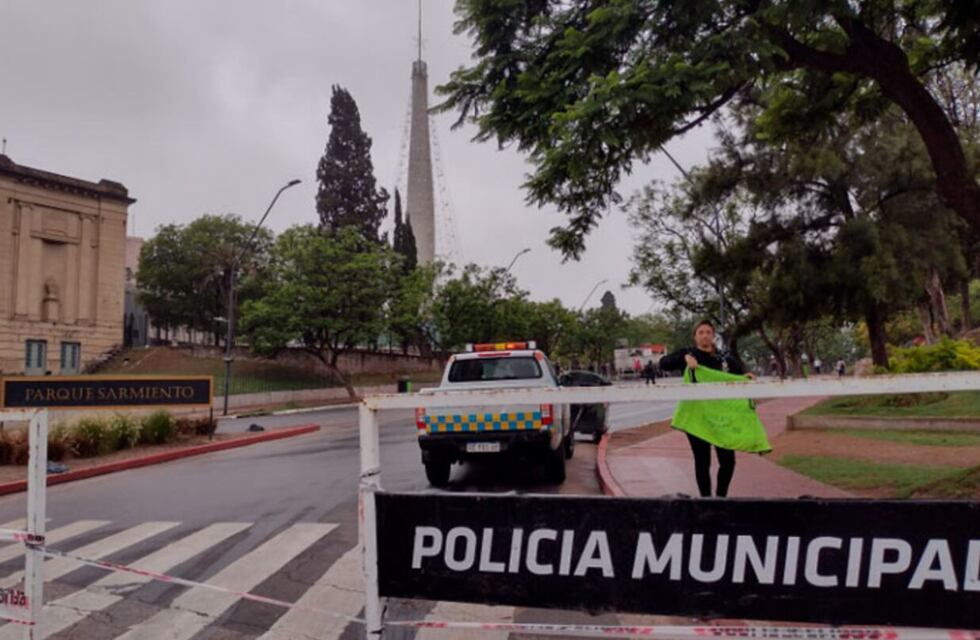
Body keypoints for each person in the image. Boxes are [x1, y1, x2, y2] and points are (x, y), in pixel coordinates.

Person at [658, 320, 769, 498]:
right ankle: (706, 500)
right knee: (703, 461)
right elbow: (663, 363)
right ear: (695, 336)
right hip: (698, 418)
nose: (705, 336)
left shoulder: (724, 358)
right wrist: (684, 358)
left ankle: (721, 497)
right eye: (701, 332)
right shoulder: (689, 354)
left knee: (728, 461)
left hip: (722, 419)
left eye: (708, 332)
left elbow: (738, 375)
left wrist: (745, 377)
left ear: (713, 335)